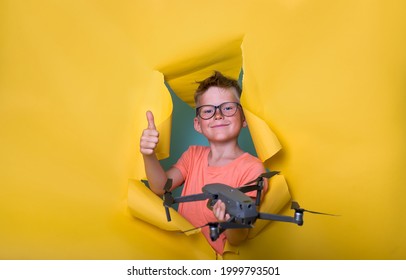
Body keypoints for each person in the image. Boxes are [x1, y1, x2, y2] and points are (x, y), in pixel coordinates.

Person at [140, 71, 268, 255]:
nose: (218, 115)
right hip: (180, 257)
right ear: (197, 124)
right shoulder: (193, 155)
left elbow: (238, 238)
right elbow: (160, 187)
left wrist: (228, 220)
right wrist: (148, 154)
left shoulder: (253, 169)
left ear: (244, 118)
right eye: (208, 111)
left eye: (228, 108)